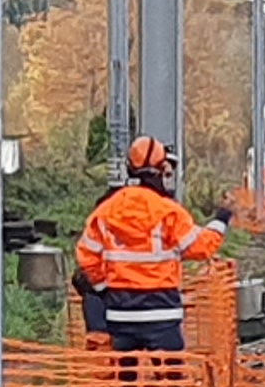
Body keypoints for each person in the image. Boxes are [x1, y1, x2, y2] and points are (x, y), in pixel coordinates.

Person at [77, 136, 228, 354]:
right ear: (160, 170)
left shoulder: (106, 211)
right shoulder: (169, 212)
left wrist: (103, 289)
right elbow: (201, 247)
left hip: (120, 314)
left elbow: (87, 256)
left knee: (124, 382)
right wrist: (221, 219)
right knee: (171, 382)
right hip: (162, 313)